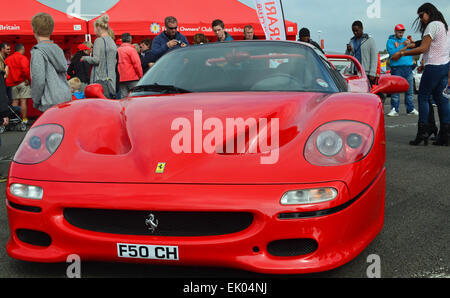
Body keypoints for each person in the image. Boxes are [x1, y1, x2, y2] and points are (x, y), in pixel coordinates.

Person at [391, 3, 450, 146]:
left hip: (433, 67)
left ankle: (423, 131)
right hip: (444, 66)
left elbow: (424, 47)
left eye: (421, 15)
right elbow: (431, 43)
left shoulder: (432, 26)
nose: (421, 19)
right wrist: (413, 44)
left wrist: (402, 52)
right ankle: (445, 134)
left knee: (423, 97)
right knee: (442, 99)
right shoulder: (444, 26)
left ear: (429, 12)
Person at [30, 13, 72, 112]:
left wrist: (35, 100)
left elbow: (38, 80)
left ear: (34, 29)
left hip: (49, 101)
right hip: (65, 97)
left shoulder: (38, 52)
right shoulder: (58, 49)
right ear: (51, 29)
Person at [386, 24, 419, 116]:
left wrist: (412, 42)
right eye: (399, 32)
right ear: (395, 31)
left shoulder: (405, 40)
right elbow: (392, 53)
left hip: (408, 68)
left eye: (402, 32)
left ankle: (410, 109)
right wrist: (403, 46)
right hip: (396, 68)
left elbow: (415, 47)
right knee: (395, 91)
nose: (401, 34)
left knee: (409, 91)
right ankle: (394, 109)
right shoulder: (390, 41)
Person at [82, 14, 117, 99]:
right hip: (111, 81)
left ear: (98, 27)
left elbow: (96, 60)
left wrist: (85, 58)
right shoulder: (112, 41)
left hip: (99, 82)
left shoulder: (98, 41)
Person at [345, 21, 378, 85]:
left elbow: (374, 58)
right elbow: (347, 58)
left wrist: (372, 73)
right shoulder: (351, 41)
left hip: (366, 73)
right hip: (354, 72)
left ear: (362, 28)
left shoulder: (370, 40)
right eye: (353, 31)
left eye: (357, 30)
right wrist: (348, 50)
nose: (355, 33)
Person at [5, 44, 31, 123]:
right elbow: (26, 70)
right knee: (23, 101)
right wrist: (27, 79)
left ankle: (14, 119)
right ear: (22, 49)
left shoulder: (8, 59)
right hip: (22, 82)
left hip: (11, 84)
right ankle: (24, 119)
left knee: (14, 101)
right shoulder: (23, 58)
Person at [117, 33, 143, 98]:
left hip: (121, 78)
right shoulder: (131, 50)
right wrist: (141, 75)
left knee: (124, 98)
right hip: (132, 77)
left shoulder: (118, 50)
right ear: (130, 40)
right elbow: (137, 64)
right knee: (135, 97)